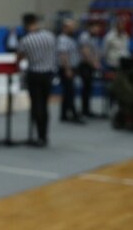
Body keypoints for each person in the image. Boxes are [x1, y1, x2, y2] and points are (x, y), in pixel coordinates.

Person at [17, 13, 56, 147]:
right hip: (48, 74)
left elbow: (19, 57)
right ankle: (44, 134)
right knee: (44, 105)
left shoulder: (26, 40)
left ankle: (38, 135)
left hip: (34, 73)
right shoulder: (50, 36)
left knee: (36, 105)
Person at [56, 19, 85, 124]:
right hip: (66, 68)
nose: (74, 29)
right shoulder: (63, 39)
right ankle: (73, 114)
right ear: (65, 28)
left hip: (71, 68)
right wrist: (67, 69)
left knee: (67, 92)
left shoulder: (70, 39)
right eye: (72, 27)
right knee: (70, 92)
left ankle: (64, 114)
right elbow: (63, 55)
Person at [77, 20, 102, 118]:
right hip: (85, 65)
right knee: (86, 88)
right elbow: (85, 52)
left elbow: (96, 51)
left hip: (91, 65)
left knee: (89, 88)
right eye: (95, 27)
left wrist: (97, 61)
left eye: (98, 28)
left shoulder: (95, 38)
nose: (97, 30)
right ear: (90, 28)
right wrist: (94, 63)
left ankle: (87, 109)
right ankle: (84, 110)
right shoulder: (85, 37)